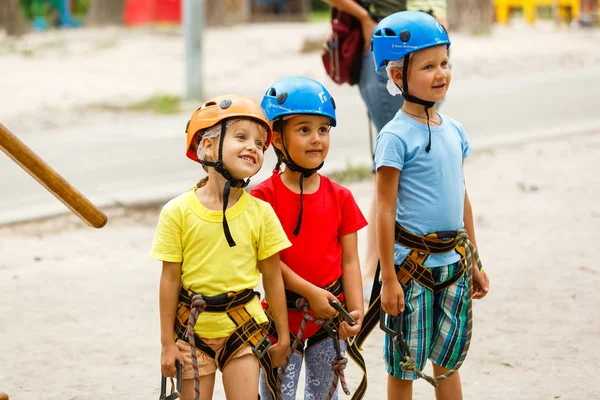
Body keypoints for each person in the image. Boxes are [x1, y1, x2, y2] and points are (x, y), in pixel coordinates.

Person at [371, 11, 490, 399]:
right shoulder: (394, 137)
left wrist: (475, 260)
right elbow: (384, 209)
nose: (441, 74)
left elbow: (462, 196)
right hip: (410, 271)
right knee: (404, 364)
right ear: (397, 76)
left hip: (453, 264)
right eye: (428, 66)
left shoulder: (454, 130)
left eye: (444, 63)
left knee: (448, 362)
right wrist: (387, 277)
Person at [150, 94, 291, 400]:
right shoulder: (177, 212)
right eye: (241, 137)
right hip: (192, 333)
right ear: (209, 145)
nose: (253, 147)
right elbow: (169, 279)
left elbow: (272, 277)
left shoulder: (261, 213)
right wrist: (166, 344)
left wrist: (283, 334)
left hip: (244, 329)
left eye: (259, 142)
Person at [251, 77, 368, 400]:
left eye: (323, 130)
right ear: (276, 138)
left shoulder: (341, 196)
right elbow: (267, 262)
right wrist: (310, 292)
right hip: (279, 320)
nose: (316, 139)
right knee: (277, 397)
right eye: (304, 130)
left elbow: (350, 260)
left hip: (329, 321)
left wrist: (356, 309)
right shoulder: (262, 198)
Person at [320, 0, 450, 289]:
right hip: (392, 52)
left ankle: (384, 266)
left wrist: (438, 20)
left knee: (409, 163)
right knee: (391, 164)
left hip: (425, 47)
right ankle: (373, 268)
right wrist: (365, 18)